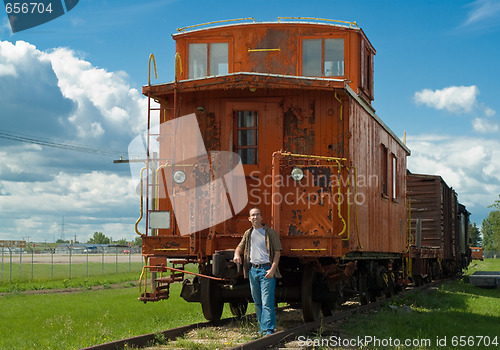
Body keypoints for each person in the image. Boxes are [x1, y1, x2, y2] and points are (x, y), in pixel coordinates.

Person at [233, 207, 282, 336]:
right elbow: (240, 247)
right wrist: (237, 255)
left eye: (257, 215)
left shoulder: (271, 233)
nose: (255, 217)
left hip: (266, 270)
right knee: (258, 301)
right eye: (252, 215)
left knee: (267, 302)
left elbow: (277, 252)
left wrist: (272, 269)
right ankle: (262, 328)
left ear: (261, 217)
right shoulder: (248, 234)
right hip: (253, 270)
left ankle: (269, 330)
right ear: (249, 219)